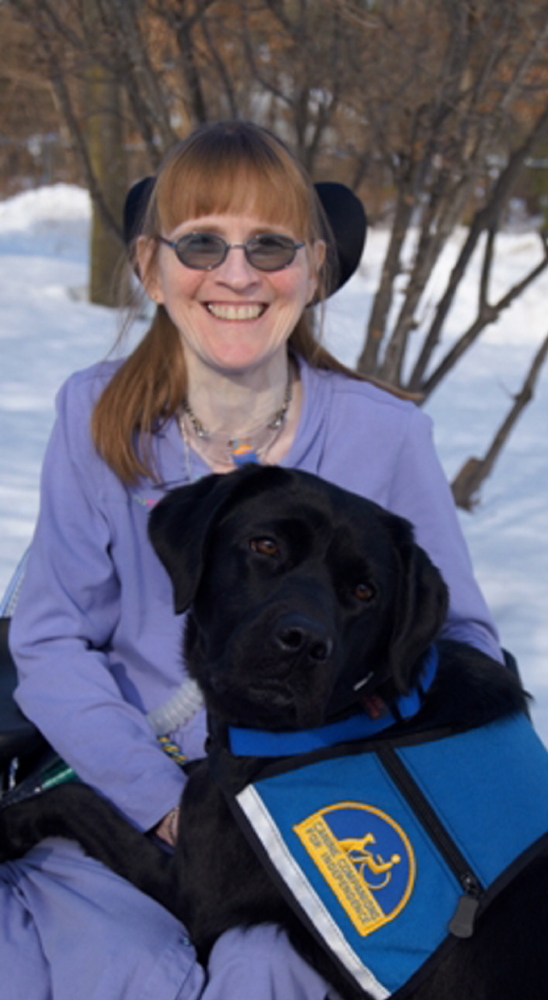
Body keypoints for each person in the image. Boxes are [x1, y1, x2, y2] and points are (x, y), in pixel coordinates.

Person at [1, 120, 502, 1000]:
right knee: (124, 970)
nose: (237, 275)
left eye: (270, 247)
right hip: (130, 778)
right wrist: (162, 801)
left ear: (314, 269)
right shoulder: (100, 418)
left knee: (265, 973)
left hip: (312, 815)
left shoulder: (386, 436)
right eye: (202, 244)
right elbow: (49, 640)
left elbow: (458, 638)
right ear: (152, 270)